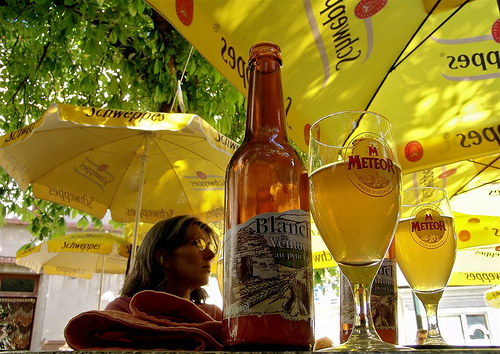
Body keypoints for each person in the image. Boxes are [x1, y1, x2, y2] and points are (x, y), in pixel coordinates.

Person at [105, 215, 222, 320]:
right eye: (198, 244)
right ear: (164, 257)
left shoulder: (213, 316)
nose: (211, 255)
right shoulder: (123, 313)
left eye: (209, 246)